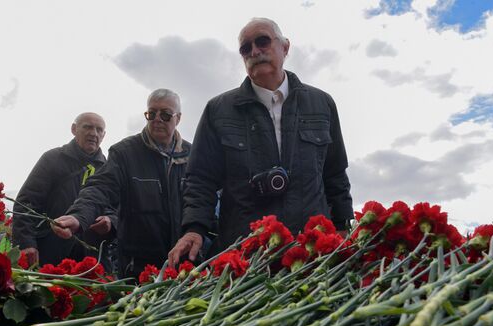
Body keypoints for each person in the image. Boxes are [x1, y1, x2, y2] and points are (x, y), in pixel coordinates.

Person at [168, 18, 354, 267]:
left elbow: (335, 173)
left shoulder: (322, 104)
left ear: (285, 47)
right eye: (246, 48)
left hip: (312, 252)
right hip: (246, 256)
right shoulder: (218, 110)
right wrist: (194, 228)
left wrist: (342, 225)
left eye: (263, 41)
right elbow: (200, 179)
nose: (255, 51)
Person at [51, 89, 191, 278]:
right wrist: (79, 216)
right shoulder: (125, 153)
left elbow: (204, 199)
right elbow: (100, 187)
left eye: (165, 114)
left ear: (178, 118)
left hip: (186, 265)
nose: (157, 119)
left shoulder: (193, 155)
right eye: (152, 113)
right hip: (139, 268)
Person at [12, 112, 116, 266]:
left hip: (92, 258)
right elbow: (26, 202)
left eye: (99, 130)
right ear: (74, 129)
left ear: (104, 135)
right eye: (88, 127)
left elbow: (117, 208)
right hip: (50, 252)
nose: (93, 133)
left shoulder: (108, 168)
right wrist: (26, 243)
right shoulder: (52, 159)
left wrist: (110, 221)